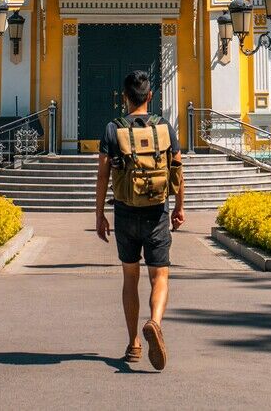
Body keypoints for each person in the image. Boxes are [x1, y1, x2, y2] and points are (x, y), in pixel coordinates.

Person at [94, 69, 185, 370]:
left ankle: (133, 343)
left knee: (130, 278)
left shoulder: (113, 129)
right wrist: (179, 207)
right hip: (157, 211)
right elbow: (178, 170)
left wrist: (99, 215)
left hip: (125, 211)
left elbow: (103, 175)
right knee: (160, 277)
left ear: (124, 98)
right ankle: (155, 322)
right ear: (150, 96)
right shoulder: (165, 127)